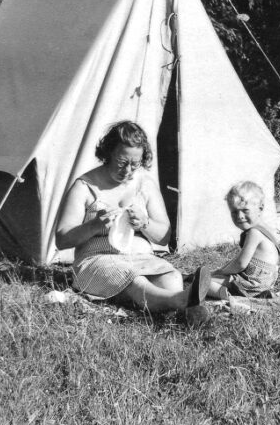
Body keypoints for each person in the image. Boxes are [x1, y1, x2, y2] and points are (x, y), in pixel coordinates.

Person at [55, 120, 198, 313]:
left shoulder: (145, 184)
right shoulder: (85, 186)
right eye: (122, 163)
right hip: (97, 260)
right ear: (108, 154)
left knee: (171, 277)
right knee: (132, 278)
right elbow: (62, 239)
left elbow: (163, 237)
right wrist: (95, 225)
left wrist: (144, 223)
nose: (128, 171)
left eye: (135, 164)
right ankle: (179, 304)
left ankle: (178, 307)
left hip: (140, 257)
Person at [203, 181, 280, 300]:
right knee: (210, 277)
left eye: (245, 210)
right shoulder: (266, 229)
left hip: (252, 284)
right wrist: (220, 271)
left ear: (260, 208)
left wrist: (221, 273)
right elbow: (239, 260)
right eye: (234, 212)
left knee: (201, 281)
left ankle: (230, 298)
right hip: (261, 283)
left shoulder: (255, 233)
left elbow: (240, 263)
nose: (240, 216)